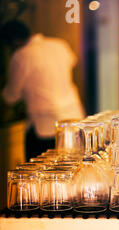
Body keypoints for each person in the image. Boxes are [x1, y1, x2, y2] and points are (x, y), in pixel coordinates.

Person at [0, 21, 85, 160]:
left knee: (40, 174)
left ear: (14, 41)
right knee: (75, 169)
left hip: (46, 126)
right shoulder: (59, 45)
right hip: (74, 118)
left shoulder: (21, 55)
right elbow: (72, 62)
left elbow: (11, 96)